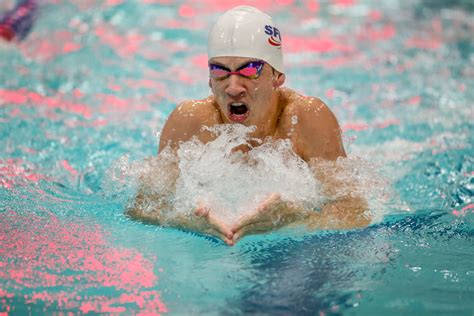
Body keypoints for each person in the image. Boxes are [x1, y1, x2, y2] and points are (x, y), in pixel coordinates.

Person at [127, 5, 369, 245]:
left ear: (277, 76)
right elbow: (142, 207)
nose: (233, 87)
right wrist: (188, 222)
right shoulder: (189, 121)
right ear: (210, 80)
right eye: (220, 70)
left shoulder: (305, 119)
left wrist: (295, 220)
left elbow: (355, 210)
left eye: (250, 69)